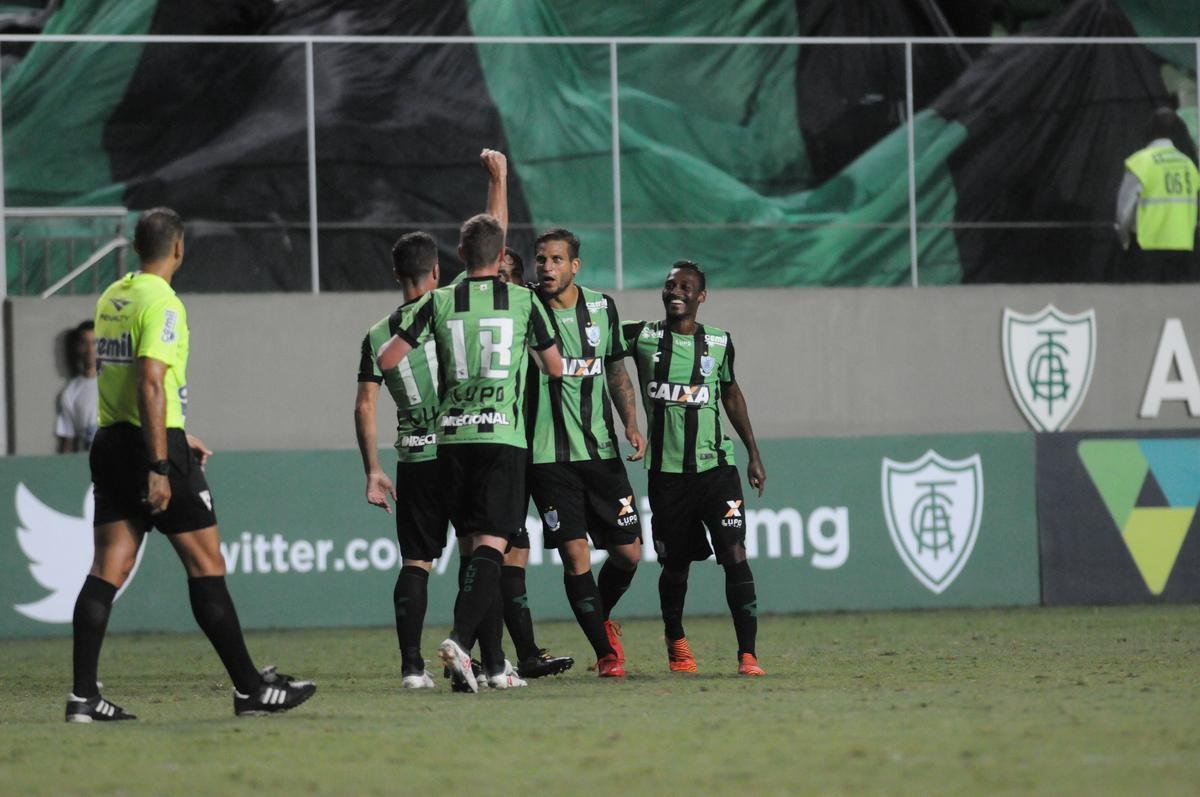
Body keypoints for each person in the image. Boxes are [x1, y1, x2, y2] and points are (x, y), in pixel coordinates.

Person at [67, 207, 316, 722]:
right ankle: (251, 690)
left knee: (107, 568)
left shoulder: (113, 296)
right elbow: (151, 381)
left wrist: (178, 430)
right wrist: (161, 460)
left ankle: (83, 698)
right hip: (150, 451)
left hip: (111, 441)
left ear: (138, 247)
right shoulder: (166, 304)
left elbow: (124, 381)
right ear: (178, 249)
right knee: (207, 565)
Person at [378, 212, 563, 693]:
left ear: (459, 256)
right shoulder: (523, 301)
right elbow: (555, 367)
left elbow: (388, 359)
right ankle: (461, 641)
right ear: (503, 258)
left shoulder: (440, 300)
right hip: (502, 438)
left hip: (451, 444)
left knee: (474, 552)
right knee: (491, 549)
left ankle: (495, 666)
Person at [621, 260, 767, 677]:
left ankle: (748, 654)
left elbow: (731, 394)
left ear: (701, 296)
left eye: (686, 286)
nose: (676, 292)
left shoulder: (719, 343)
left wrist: (753, 453)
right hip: (667, 475)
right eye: (670, 285)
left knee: (735, 554)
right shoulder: (643, 335)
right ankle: (675, 638)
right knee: (676, 565)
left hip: (717, 469)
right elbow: (593, 334)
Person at [528, 227, 646, 677]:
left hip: (601, 451)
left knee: (629, 554)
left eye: (556, 260)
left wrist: (631, 422)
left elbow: (616, 367)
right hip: (547, 457)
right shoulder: (525, 307)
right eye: (541, 259)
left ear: (574, 266)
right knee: (576, 555)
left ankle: (601, 617)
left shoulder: (601, 307)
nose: (547, 268)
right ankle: (606, 654)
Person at [1115, 107, 1200, 282]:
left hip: (1147, 245)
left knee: (1147, 304)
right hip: (1182, 244)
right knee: (1178, 304)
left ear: (1149, 130)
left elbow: (1125, 210)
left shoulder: (1140, 162)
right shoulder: (1188, 165)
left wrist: (1124, 238)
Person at [56, 320, 98, 452]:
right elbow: (68, 439)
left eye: (94, 343)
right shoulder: (70, 391)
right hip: (85, 466)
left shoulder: (116, 382)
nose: (90, 349)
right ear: (77, 347)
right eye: (84, 343)